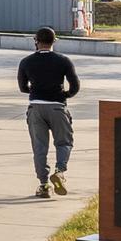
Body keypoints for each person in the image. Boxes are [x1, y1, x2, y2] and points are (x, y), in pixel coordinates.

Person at [18, 26, 80, 198]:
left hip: (36, 108)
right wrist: (65, 94)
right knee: (64, 142)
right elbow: (75, 86)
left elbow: (23, 87)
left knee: (39, 148)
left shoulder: (26, 62)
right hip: (57, 106)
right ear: (54, 41)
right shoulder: (63, 61)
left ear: (36, 42)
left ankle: (44, 185)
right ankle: (59, 171)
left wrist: (36, 89)